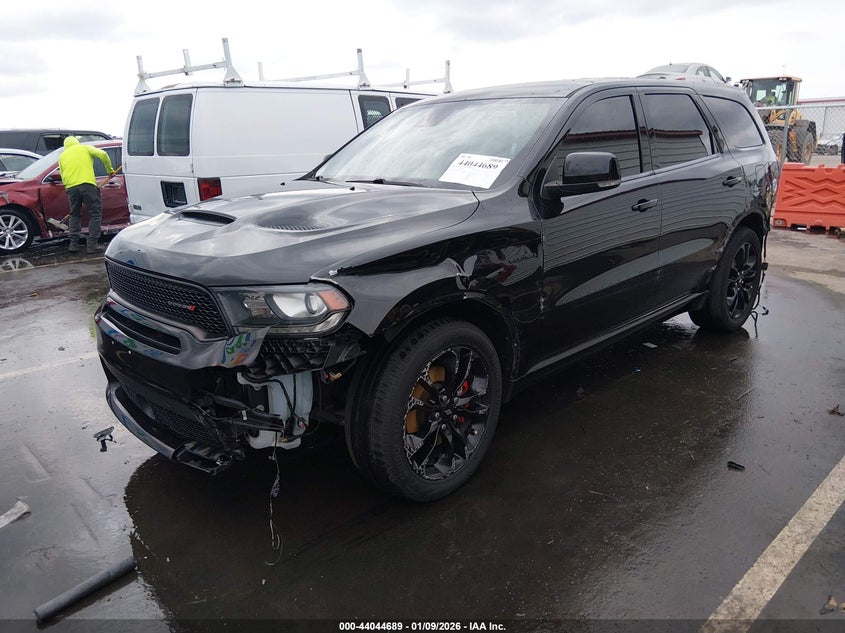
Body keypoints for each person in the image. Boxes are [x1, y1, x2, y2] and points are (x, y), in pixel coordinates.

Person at [58, 136, 114, 254]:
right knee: (95, 214)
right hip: (87, 185)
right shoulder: (84, 148)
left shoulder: (62, 156)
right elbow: (103, 154)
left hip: (71, 188)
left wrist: (68, 188)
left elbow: (62, 175)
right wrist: (109, 170)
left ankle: (73, 244)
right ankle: (92, 245)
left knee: (74, 214)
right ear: (77, 142)